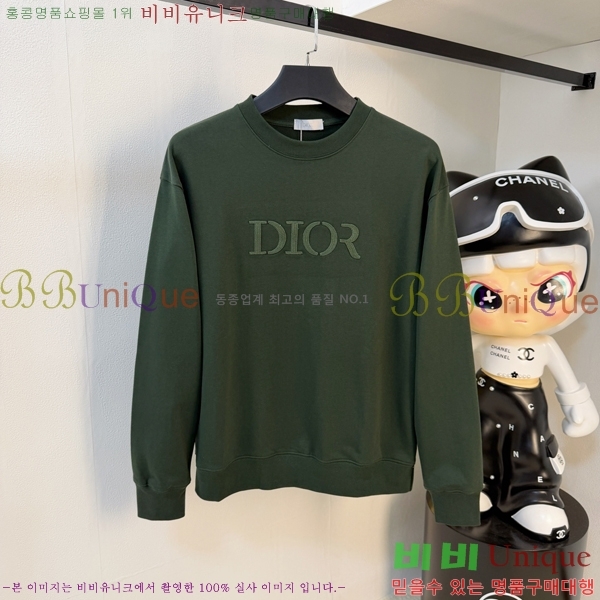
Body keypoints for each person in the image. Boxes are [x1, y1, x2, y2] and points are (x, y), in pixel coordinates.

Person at [448, 156, 598, 542]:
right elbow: (450, 370)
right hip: (481, 398)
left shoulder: (543, 344)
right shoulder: (478, 340)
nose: (518, 308)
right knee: (475, 445)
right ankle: (474, 485)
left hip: (528, 405)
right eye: (486, 295)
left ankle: (532, 494)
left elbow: (565, 381)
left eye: (549, 289)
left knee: (530, 450)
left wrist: (578, 405)